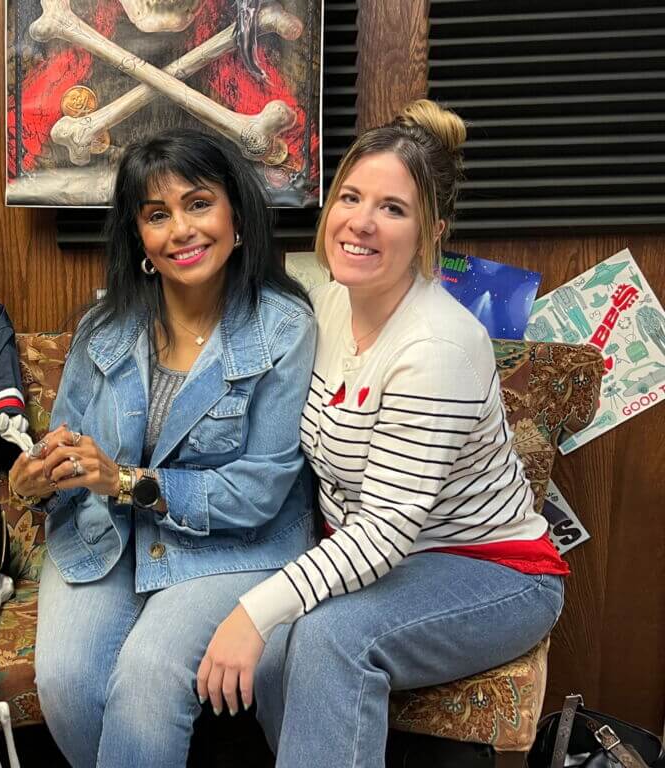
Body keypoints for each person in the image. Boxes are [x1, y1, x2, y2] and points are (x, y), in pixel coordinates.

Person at [197, 100, 569, 767]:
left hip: (490, 569)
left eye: (393, 209)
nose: (361, 223)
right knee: (290, 634)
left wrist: (253, 612)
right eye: (351, 197)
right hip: (380, 554)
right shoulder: (329, 299)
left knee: (330, 636)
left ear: (432, 233)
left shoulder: (439, 345)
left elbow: (389, 528)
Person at [8, 128, 317, 766]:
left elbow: (259, 493)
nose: (181, 229)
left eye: (198, 203)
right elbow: (66, 448)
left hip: (236, 545)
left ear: (235, 213)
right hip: (108, 533)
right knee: (67, 686)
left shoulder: (285, 327)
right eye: (157, 215)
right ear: (139, 240)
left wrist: (120, 479)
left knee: (148, 675)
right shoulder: (104, 326)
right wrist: (36, 478)